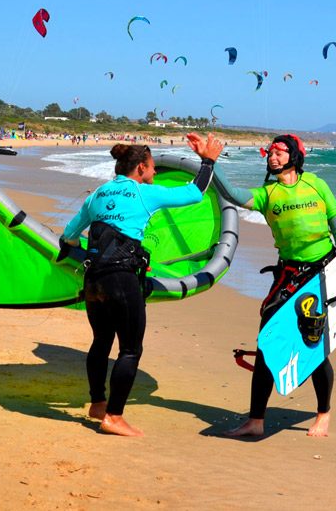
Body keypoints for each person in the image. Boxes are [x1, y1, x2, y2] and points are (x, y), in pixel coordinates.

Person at [60, 132, 223, 437]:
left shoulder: (97, 194)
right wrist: (208, 160)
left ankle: (97, 403)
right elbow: (195, 193)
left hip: (93, 281)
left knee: (100, 343)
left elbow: (69, 236)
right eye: (151, 167)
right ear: (139, 170)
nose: (155, 172)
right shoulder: (143, 193)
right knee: (130, 350)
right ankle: (113, 417)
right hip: (122, 280)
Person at [215, 134, 336, 438]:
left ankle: (324, 414)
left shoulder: (317, 184)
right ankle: (256, 420)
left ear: (294, 156)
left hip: (322, 271)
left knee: (314, 344)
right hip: (289, 273)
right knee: (267, 341)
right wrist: (211, 163)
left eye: (279, 152)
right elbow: (235, 195)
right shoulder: (268, 194)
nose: (272, 157)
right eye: (270, 153)